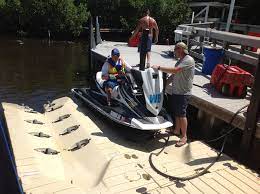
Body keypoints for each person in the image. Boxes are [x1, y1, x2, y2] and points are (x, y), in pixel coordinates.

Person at [152, 42, 195, 147]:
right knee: (177, 113)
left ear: (180, 49)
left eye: (175, 50)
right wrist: (163, 85)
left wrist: (159, 68)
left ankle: (184, 136)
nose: (174, 52)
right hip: (176, 91)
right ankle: (176, 131)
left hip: (183, 92)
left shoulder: (188, 59)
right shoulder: (180, 61)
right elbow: (173, 75)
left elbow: (175, 70)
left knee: (182, 114)